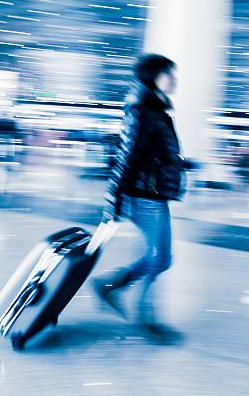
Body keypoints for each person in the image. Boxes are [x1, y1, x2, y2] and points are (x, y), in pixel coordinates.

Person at [90, 53, 195, 335]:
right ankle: (139, 312)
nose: (174, 79)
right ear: (152, 76)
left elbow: (155, 154)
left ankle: (113, 290)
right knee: (160, 257)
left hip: (154, 195)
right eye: (168, 73)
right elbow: (128, 155)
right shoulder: (143, 111)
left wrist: (180, 163)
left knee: (160, 256)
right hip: (144, 196)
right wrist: (114, 195)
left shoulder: (157, 111)